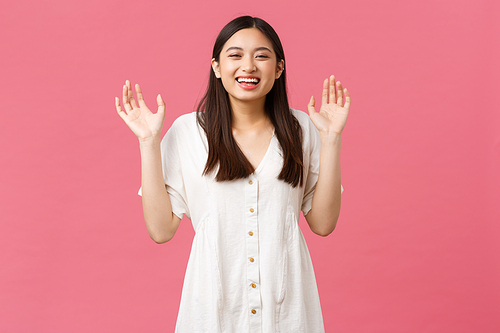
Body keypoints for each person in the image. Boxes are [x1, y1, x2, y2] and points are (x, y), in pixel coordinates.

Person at [115, 15, 350, 333]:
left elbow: (323, 224)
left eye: (262, 56)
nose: (249, 66)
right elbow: (160, 230)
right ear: (216, 67)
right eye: (235, 55)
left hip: (288, 314)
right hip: (212, 313)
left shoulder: (304, 130)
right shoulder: (188, 132)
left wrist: (331, 139)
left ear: (279, 68)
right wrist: (147, 142)